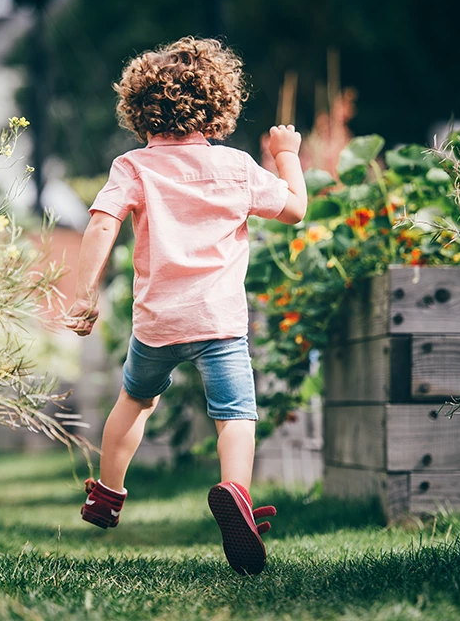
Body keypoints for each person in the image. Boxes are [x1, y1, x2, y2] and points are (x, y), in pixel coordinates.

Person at [65, 36, 307, 576]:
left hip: (157, 323)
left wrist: (84, 294)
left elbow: (103, 223)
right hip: (219, 323)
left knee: (135, 401)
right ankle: (236, 494)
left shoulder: (133, 167)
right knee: (235, 415)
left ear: (138, 109)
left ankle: (107, 494)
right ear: (218, 107)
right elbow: (295, 209)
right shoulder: (237, 167)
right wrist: (286, 156)